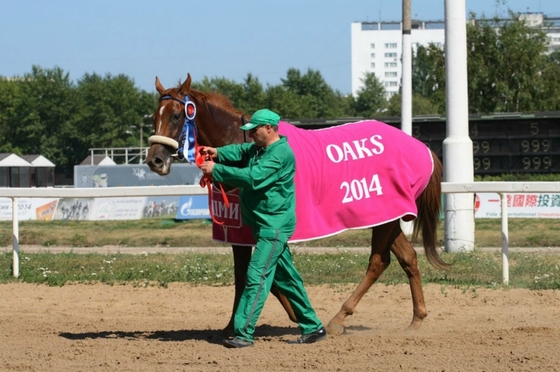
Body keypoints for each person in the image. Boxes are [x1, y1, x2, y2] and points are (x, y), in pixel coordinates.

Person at [199, 108, 326, 348]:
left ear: (268, 129)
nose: (251, 135)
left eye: (254, 130)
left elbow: (253, 178)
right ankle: (313, 326)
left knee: (256, 276)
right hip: (265, 225)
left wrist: (217, 170)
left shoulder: (280, 155)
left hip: (273, 227)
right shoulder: (260, 148)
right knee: (287, 279)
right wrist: (217, 152)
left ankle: (243, 333)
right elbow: (241, 150)